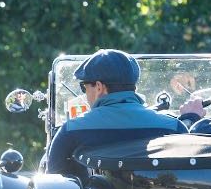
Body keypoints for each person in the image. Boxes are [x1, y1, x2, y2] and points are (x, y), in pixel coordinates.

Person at [42, 49, 187, 175]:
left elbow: (54, 184)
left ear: (99, 87)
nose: (84, 94)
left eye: (84, 87)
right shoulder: (174, 127)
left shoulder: (71, 131)